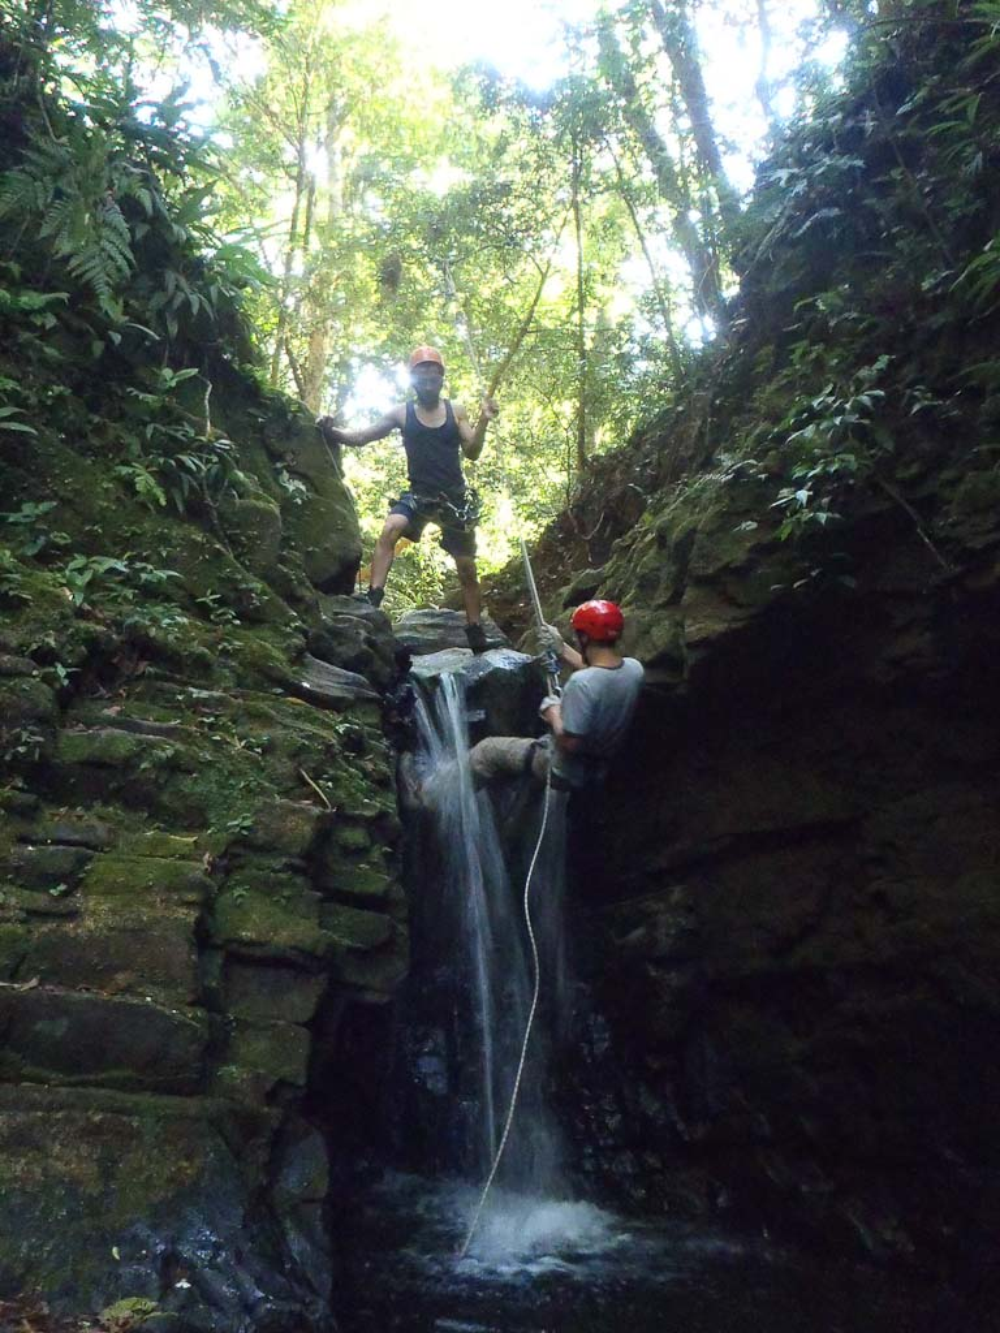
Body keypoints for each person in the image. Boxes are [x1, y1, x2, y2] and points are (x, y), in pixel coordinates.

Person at [318, 346, 499, 653]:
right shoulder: (402, 413)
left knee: (467, 568)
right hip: (418, 495)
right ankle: (374, 594)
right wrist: (331, 431)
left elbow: (473, 451)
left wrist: (483, 421)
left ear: (441, 378)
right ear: (414, 380)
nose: (428, 379)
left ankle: (474, 628)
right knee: (391, 528)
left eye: (433, 373)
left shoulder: (456, 410)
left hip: (453, 498)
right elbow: (362, 437)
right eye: (422, 374)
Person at [465, 599, 644, 793]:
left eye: (577, 635)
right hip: (604, 762)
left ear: (584, 638)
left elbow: (570, 743)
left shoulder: (580, 683)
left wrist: (553, 712)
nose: (575, 638)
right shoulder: (634, 669)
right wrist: (562, 649)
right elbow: (601, 674)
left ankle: (434, 799)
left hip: (566, 770)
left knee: (486, 751)